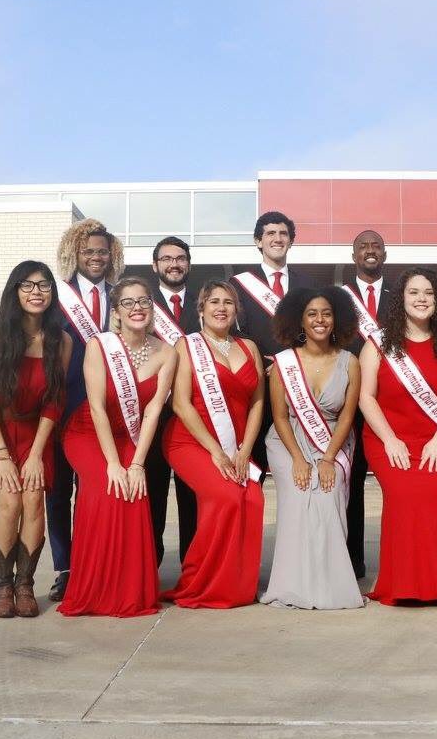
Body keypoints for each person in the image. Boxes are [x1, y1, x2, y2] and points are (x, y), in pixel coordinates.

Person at [57, 277, 175, 618]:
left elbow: (153, 410)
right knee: (108, 488)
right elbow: (95, 407)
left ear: (152, 309)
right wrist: (113, 463)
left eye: (143, 302)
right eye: (128, 303)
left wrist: (136, 464)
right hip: (88, 433)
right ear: (117, 312)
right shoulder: (100, 345)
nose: (137, 308)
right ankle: (92, 590)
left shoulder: (167, 352)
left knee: (135, 491)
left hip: (130, 437)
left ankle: (128, 591)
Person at [359, 268, 437, 606]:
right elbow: (366, 397)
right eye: (413, 293)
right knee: (404, 498)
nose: (421, 299)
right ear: (401, 299)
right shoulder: (376, 345)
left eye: (428, 293)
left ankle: (434, 587)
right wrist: (391, 440)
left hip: (436, 438)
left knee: (431, 503)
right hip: (386, 439)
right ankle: (399, 585)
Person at [0, 261, 71, 618]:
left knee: (35, 500)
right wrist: (2, 454)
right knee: (10, 502)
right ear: (15, 291)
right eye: (27, 285)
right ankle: (2, 586)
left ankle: (25, 585)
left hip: (36, 434)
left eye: (44, 285)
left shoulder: (61, 341)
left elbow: (54, 403)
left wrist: (35, 455)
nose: (36, 292)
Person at [161, 281, 266, 608]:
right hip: (190, 441)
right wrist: (217, 452)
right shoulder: (186, 345)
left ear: (236, 310)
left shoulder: (249, 347)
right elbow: (180, 404)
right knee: (226, 496)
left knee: (253, 497)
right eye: (214, 302)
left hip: (236, 445)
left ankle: (236, 584)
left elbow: (258, 403)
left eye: (228, 303)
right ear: (202, 309)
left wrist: (245, 450)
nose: (221, 308)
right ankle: (199, 580)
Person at [261, 287, 364, 610]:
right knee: (300, 493)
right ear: (299, 321)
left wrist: (329, 458)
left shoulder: (350, 362)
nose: (320, 320)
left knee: (327, 496)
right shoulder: (284, 364)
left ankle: (330, 585)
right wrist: (298, 460)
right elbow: (279, 416)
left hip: (333, 441)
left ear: (337, 319)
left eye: (327, 313)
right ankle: (293, 586)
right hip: (287, 442)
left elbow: (347, 415)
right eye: (311, 314)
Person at [45, 219, 122, 602]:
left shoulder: (123, 295)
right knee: (58, 492)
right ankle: (65, 567)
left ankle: (94, 562)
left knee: (93, 490)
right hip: (61, 407)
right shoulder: (57, 297)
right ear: (76, 253)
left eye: (102, 251)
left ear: (112, 256)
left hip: (107, 409)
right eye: (89, 251)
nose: (96, 257)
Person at [233, 210, 314, 476]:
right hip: (256, 385)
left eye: (283, 234)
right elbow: (236, 333)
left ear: (291, 241)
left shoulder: (309, 285)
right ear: (258, 241)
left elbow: (317, 329)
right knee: (253, 465)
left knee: (300, 466)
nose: (277, 239)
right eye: (270, 233)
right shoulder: (239, 284)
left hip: (300, 382)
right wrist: (259, 362)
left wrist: (289, 362)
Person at [145, 236, 201, 566]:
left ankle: (192, 567)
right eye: (166, 259)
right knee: (152, 492)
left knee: (191, 495)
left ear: (188, 264)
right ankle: (149, 564)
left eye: (180, 258)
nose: (174, 264)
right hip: (153, 412)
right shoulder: (141, 306)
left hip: (194, 412)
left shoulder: (204, 303)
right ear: (155, 266)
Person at [341, 230, 391, 579]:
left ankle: (396, 558)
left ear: (384, 253)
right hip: (347, 402)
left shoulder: (399, 295)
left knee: (396, 481)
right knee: (352, 482)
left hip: (391, 402)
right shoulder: (341, 299)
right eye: (363, 247)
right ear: (354, 255)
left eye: (375, 247)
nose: (369, 251)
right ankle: (353, 560)